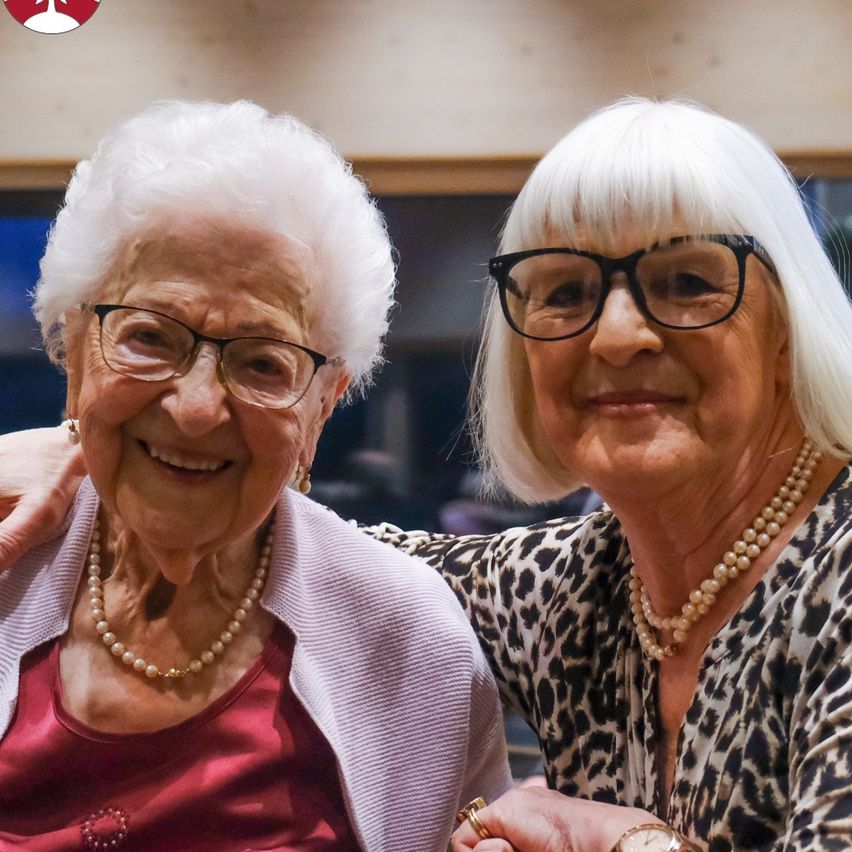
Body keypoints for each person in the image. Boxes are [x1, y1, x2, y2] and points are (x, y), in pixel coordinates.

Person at [2, 97, 851, 850]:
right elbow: (334, 562)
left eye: (688, 282)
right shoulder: (565, 588)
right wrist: (70, 446)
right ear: (72, 349)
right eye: (564, 293)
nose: (618, 334)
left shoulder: (834, 578)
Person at [0, 99, 511, 851]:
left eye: (263, 362)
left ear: (322, 405)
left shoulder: (408, 636)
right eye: (149, 336)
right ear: (75, 349)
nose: (198, 408)